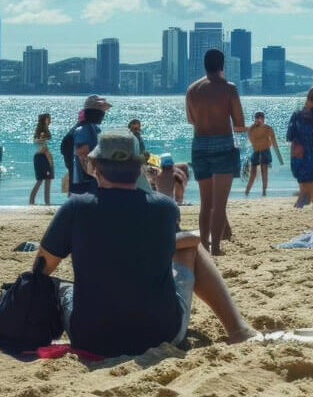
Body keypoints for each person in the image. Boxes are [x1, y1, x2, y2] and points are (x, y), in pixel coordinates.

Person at [34, 129, 257, 356]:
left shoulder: (76, 208)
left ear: (94, 165)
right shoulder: (164, 207)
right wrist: (166, 193)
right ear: (139, 167)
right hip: (162, 334)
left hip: (92, 338)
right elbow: (158, 239)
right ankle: (238, 330)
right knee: (190, 247)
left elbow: (42, 267)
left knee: (60, 287)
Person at [185, 49, 246, 256]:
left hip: (199, 144)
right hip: (223, 145)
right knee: (219, 204)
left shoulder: (192, 89)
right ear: (222, 66)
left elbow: (190, 119)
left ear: (204, 65)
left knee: (206, 202)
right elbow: (239, 123)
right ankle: (217, 248)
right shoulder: (229, 88)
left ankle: (203, 245)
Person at [70, 95, 111, 195]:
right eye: (101, 110)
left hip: (90, 182)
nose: (103, 114)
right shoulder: (84, 129)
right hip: (85, 183)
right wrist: (97, 178)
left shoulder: (94, 128)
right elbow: (83, 155)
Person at [243, 112, 283, 196]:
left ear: (263, 119)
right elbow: (252, 141)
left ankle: (263, 192)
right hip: (257, 151)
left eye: (260, 118)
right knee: (253, 174)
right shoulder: (251, 129)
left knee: (264, 172)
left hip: (264, 151)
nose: (258, 120)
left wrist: (279, 158)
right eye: (256, 118)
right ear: (255, 119)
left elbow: (274, 143)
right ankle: (247, 192)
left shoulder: (268, 128)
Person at [30, 112, 54, 206]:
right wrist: (50, 160)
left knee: (41, 180)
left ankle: (32, 201)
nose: (50, 121)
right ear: (45, 120)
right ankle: (46, 203)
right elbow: (44, 148)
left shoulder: (38, 132)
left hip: (38, 157)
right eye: (49, 118)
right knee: (46, 181)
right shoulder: (43, 133)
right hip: (43, 157)